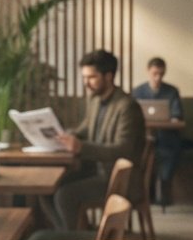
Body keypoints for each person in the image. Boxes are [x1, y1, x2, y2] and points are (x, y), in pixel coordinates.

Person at [51, 49, 146, 230]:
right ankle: (74, 233)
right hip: (97, 170)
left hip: (119, 179)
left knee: (64, 195)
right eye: (84, 77)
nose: (86, 83)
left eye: (91, 78)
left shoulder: (127, 106)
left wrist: (80, 147)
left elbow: (123, 149)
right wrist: (66, 135)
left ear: (109, 76)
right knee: (50, 187)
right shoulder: (95, 100)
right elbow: (85, 128)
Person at [131, 56, 183, 205]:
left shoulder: (172, 91)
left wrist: (173, 119)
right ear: (148, 72)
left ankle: (164, 187)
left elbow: (176, 114)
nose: (157, 77)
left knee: (170, 147)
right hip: (144, 136)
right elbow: (132, 116)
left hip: (166, 136)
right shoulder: (137, 92)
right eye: (155, 73)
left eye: (161, 74)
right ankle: (144, 192)